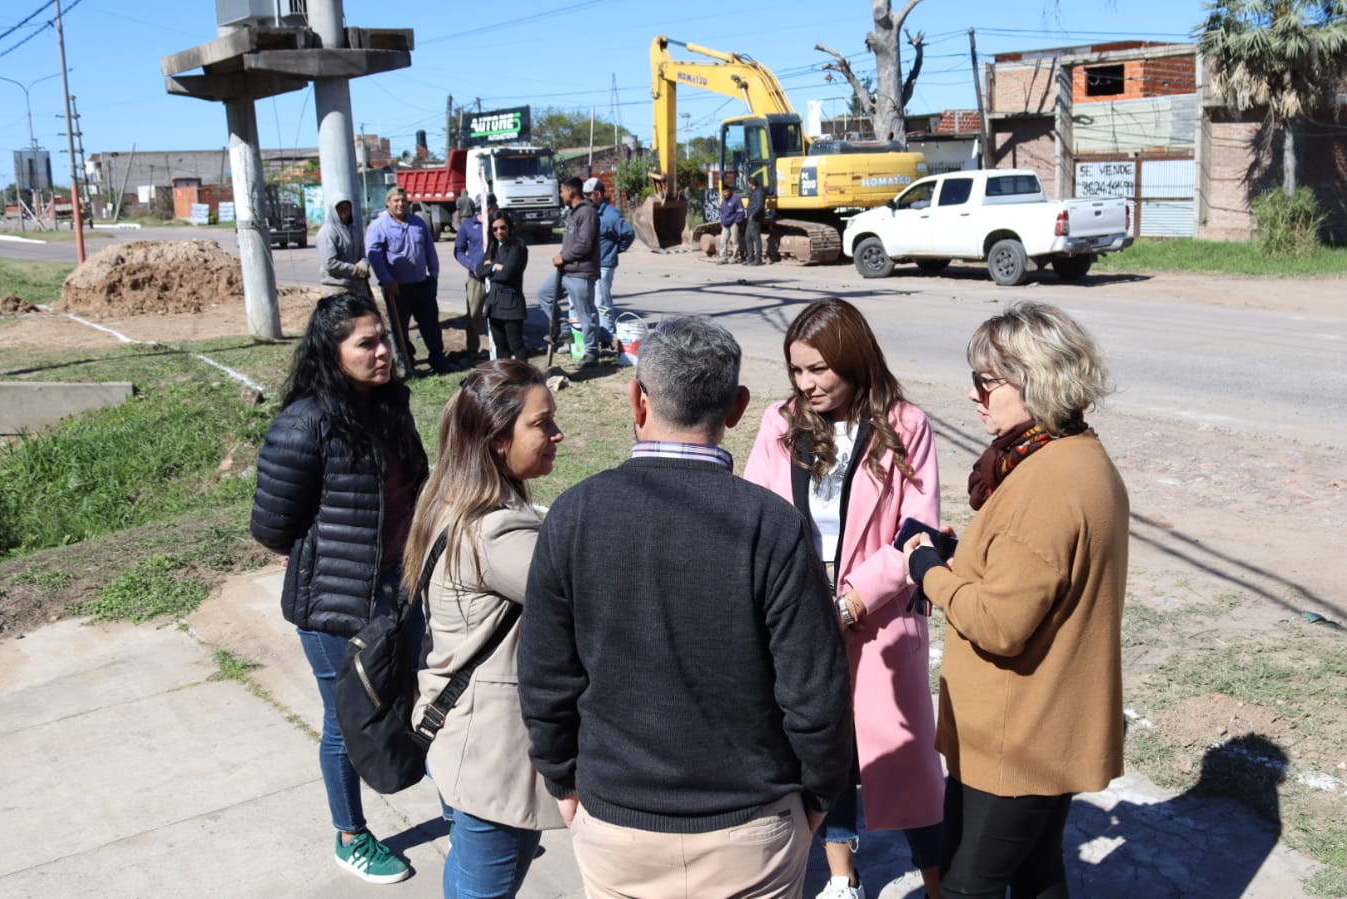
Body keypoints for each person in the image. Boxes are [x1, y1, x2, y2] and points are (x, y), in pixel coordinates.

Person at [519, 316, 854, 898]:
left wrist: (564, 785)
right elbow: (816, 693)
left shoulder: (574, 514)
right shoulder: (773, 525)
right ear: (737, 407)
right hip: (751, 835)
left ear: (636, 399)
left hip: (618, 827)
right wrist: (819, 799)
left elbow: (546, 677)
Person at [901, 301, 1128, 899]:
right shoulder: (1075, 453)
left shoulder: (1048, 481)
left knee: (966, 886)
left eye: (987, 382)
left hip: (1017, 737)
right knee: (1036, 874)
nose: (976, 396)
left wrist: (928, 570)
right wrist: (963, 557)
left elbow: (1001, 623)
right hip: (1041, 727)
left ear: (1036, 380)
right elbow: (1031, 573)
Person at [743, 298, 945, 899]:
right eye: (797, 371)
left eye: (818, 371)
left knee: (906, 764)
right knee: (823, 753)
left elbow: (918, 531)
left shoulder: (907, 426)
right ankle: (841, 877)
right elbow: (755, 511)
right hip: (797, 613)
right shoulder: (779, 422)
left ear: (854, 361)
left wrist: (852, 601)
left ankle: (940, 883)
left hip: (877, 620)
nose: (806, 385)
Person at [249, 292, 429, 886]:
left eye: (384, 338)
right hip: (336, 603)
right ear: (334, 352)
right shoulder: (305, 423)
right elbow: (271, 526)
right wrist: (317, 554)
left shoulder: (390, 403)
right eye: (367, 343)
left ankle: (448, 796)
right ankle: (350, 836)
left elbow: (417, 483)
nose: (383, 352)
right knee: (345, 719)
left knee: (412, 694)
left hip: (399, 585)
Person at [405, 359, 565, 898]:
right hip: (488, 755)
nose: (556, 434)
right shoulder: (498, 533)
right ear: (498, 440)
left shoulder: (451, 497)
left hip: (458, 732)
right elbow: (592, 598)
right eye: (541, 423)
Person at [367, 186, 459, 375]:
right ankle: (406, 363)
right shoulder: (379, 226)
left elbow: (429, 250)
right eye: (396, 200)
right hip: (397, 288)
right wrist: (387, 280)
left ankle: (438, 361)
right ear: (388, 203)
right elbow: (375, 257)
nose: (401, 204)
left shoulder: (418, 223)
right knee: (399, 327)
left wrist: (433, 275)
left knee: (431, 325)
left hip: (422, 284)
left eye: (404, 200)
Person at [536, 176, 600, 366]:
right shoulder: (572, 213)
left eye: (562, 191)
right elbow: (573, 241)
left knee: (586, 313)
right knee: (545, 295)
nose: (561, 194)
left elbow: (585, 244)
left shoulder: (587, 213)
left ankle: (591, 353)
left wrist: (564, 257)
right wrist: (562, 255)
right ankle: (563, 329)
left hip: (581, 272)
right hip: (566, 270)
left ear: (571, 191)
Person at [584, 176, 634, 348]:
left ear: (597, 194)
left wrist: (617, 249)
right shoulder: (591, 213)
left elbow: (628, 233)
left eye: (588, 195)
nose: (585, 198)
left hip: (604, 265)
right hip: (592, 264)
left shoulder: (611, 215)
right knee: (591, 302)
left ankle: (607, 339)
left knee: (602, 303)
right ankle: (599, 335)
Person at [478, 211, 530, 362]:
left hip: (511, 303)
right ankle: (507, 381)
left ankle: (524, 380)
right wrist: (495, 267)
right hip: (494, 304)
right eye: (495, 229)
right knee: (500, 346)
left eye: (502, 227)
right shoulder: (492, 248)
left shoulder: (517, 246)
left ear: (509, 227)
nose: (499, 232)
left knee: (516, 345)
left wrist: (490, 270)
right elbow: (479, 270)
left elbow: (507, 274)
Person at [453, 195, 488, 360]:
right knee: (473, 317)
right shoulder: (467, 226)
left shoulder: (497, 225)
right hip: (476, 279)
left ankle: (501, 349)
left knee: (499, 315)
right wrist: (472, 266)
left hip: (496, 278)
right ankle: (473, 351)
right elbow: (458, 251)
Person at [317, 195, 371, 298]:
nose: (344, 210)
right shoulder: (328, 232)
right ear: (333, 210)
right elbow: (330, 263)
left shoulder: (353, 230)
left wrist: (364, 263)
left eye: (346, 207)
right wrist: (354, 269)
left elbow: (362, 255)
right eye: (340, 208)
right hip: (336, 289)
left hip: (356, 287)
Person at [718, 183, 746, 264]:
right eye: (723, 192)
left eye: (726, 192)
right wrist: (722, 221)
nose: (725, 194)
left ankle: (734, 258)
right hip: (725, 224)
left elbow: (740, 211)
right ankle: (723, 258)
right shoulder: (723, 201)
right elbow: (722, 212)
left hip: (733, 223)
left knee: (734, 241)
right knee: (722, 241)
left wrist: (737, 222)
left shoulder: (736, 199)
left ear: (730, 191)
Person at [745, 174, 769, 266]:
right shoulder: (754, 192)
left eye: (748, 183)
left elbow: (759, 206)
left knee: (756, 238)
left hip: (755, 218)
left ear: (751, 183)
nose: (748, 185)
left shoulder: (759, 192)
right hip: (751, 218)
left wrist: (753, 214)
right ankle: (750, 258)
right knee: (747, 237)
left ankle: (758, 259)